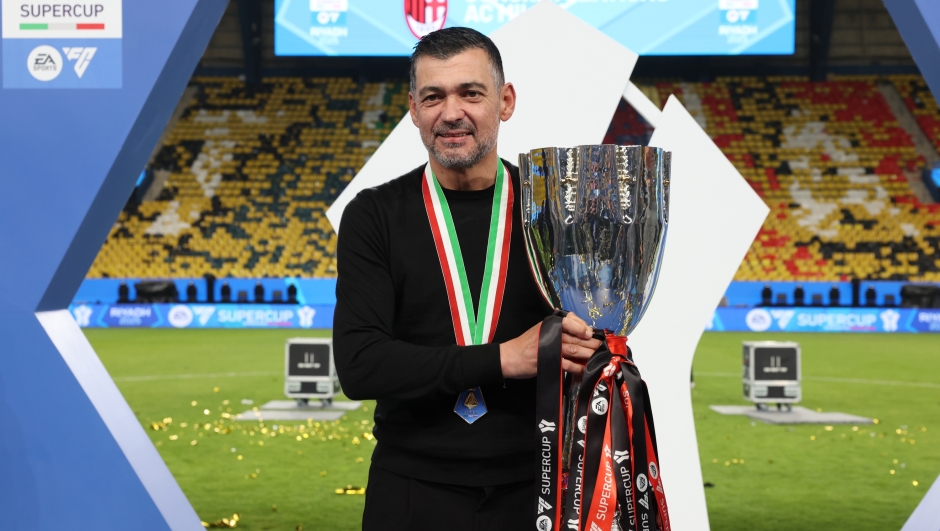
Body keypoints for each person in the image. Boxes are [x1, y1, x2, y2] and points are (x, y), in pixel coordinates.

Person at [333, 27, 601, 531]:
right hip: (412, 489)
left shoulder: (558, 212)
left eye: (470, 93)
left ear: (505, 101)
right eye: (433, 96)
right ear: (412, 109)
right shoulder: (374, 215)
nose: (451, 112)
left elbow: (591, 343)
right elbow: (361, 366)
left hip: (539, 486)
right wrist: (504, 359)